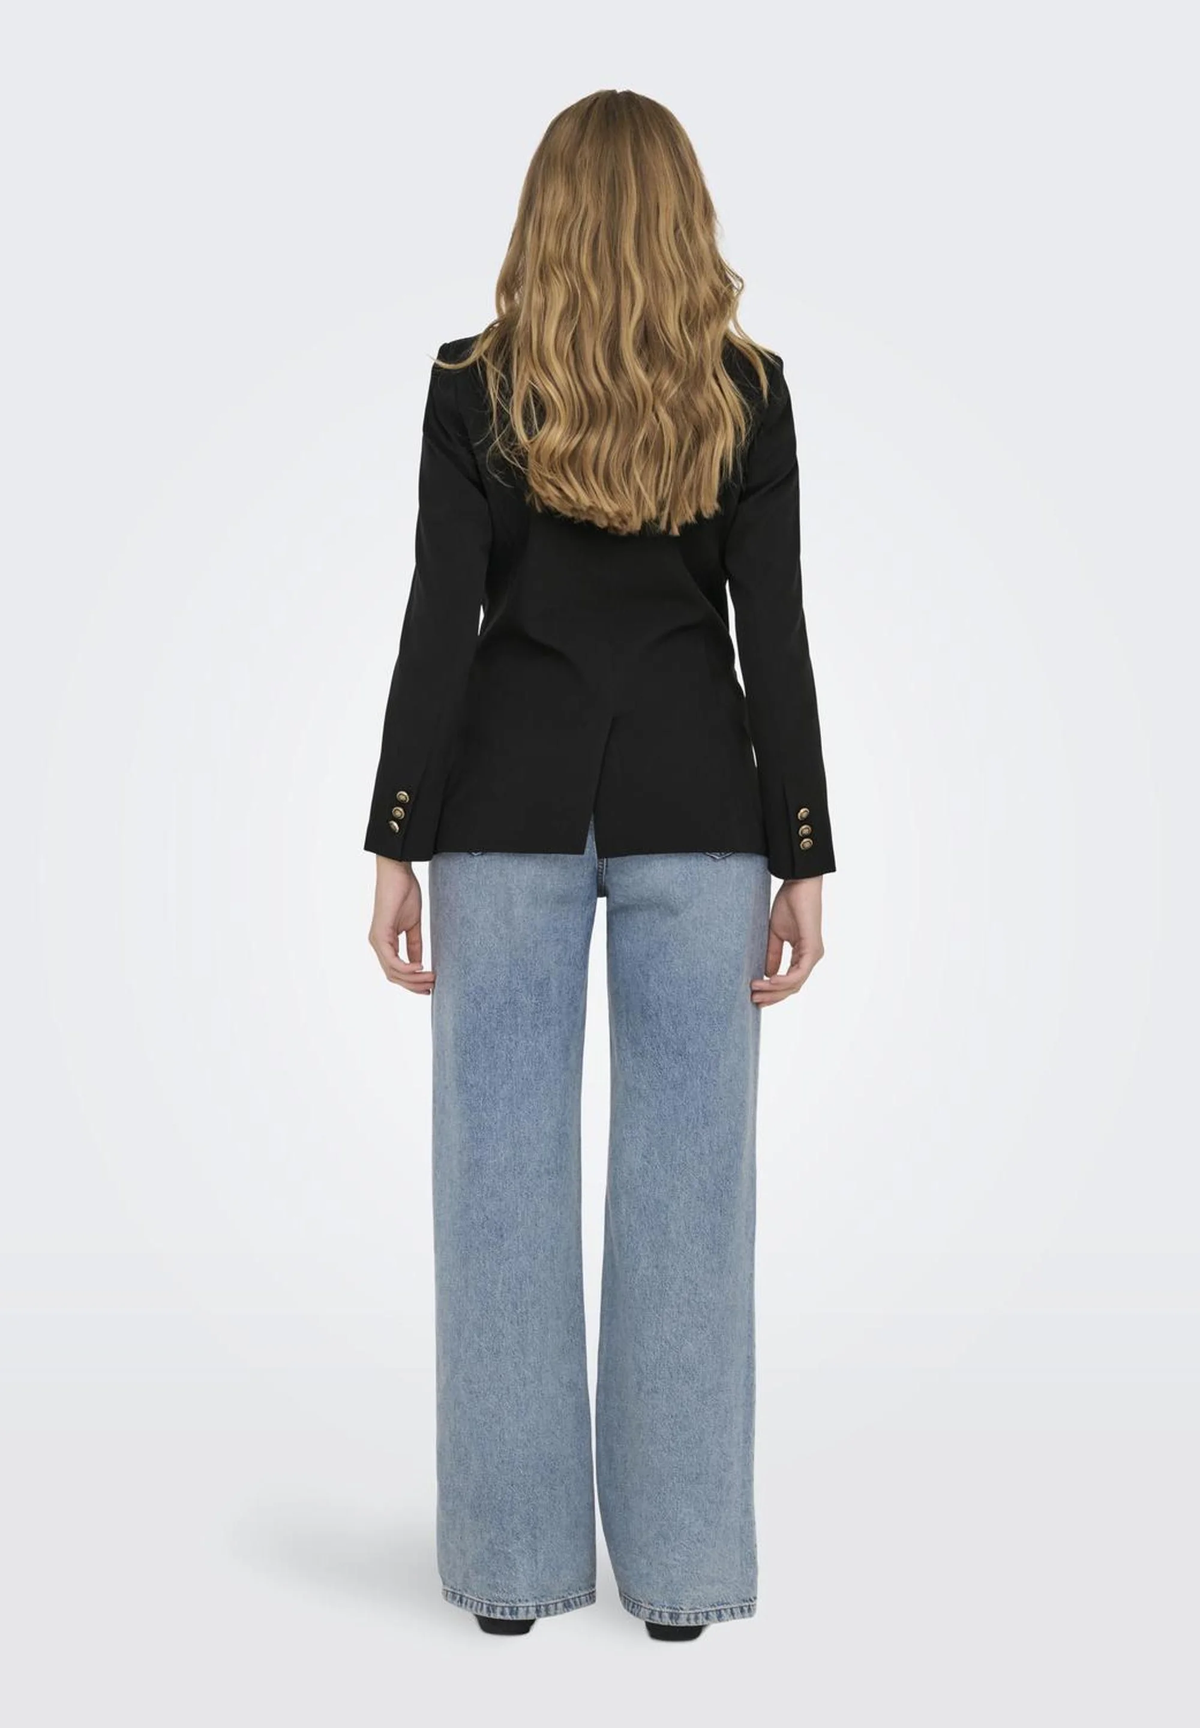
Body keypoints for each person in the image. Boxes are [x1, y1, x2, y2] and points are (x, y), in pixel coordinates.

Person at [364, 88, 835, 1643]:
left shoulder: (474, 386)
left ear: (545, 215)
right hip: (702, 812)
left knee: (497, 1186)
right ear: (686, 218)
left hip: (502, 813)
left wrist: (397, 835)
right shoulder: (746, 392)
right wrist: (803, 853)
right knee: (692, 1198)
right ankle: (683, 1581)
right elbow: (774, 636)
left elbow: (444, 618)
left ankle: (511, 1574)